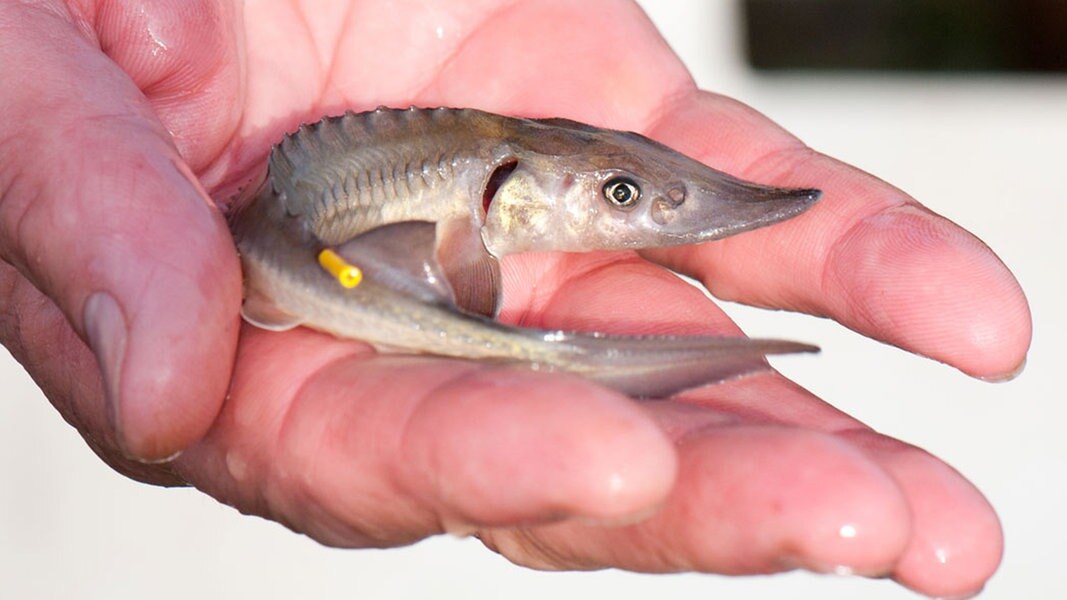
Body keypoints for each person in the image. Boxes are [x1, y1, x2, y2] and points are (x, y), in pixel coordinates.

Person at [0, 1, 1031, 597]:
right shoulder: (440, 210)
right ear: (492, 196)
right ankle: (546, 356)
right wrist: (474, 322)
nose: (629, 209)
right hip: (286, 248)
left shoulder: (480, 178)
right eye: (618, 196)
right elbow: (450, 268)